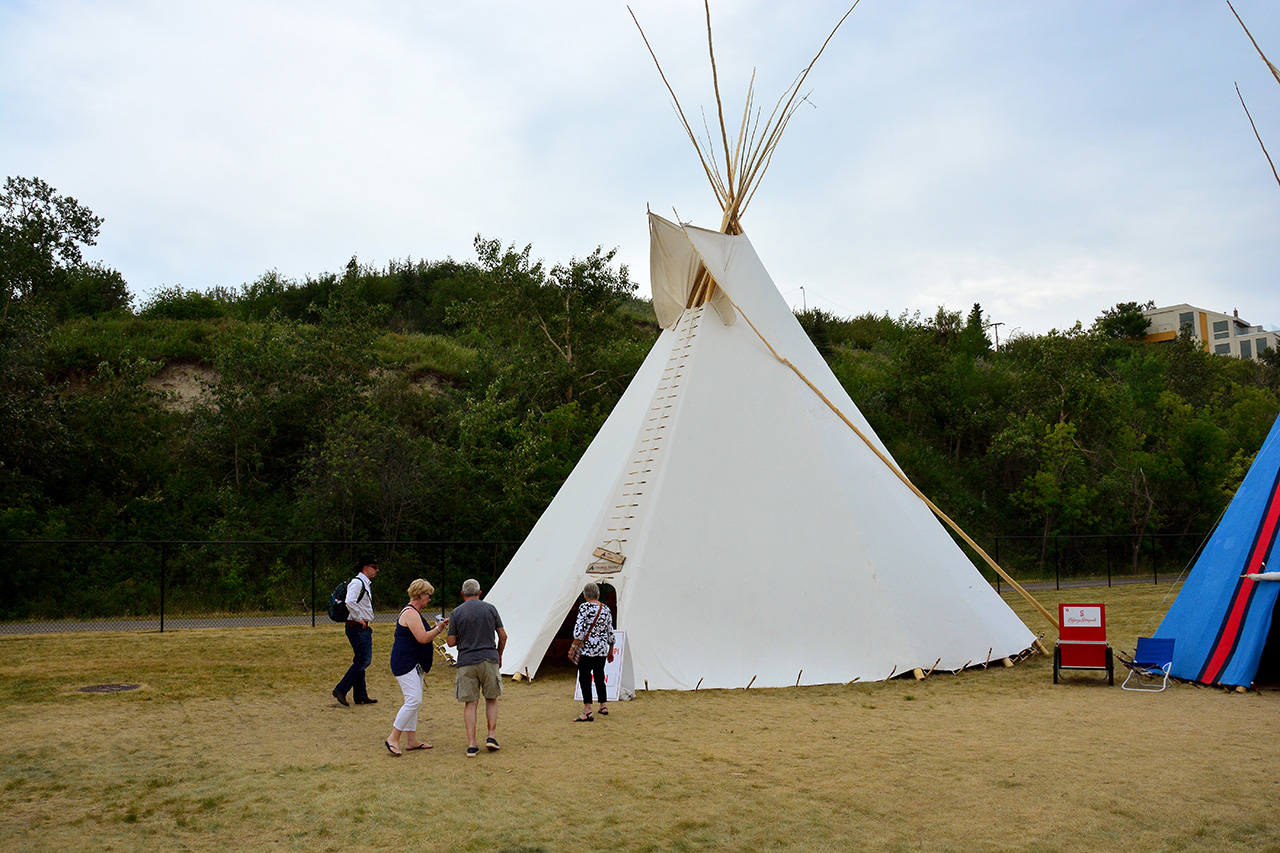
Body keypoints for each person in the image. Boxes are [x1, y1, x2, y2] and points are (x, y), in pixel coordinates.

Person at [384, 578, 449, 756]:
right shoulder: (410, 613)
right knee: (414, 700)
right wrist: (439, 629)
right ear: (420, 594)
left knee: (412, 701)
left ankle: (411, 740)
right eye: (428, 595)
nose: (430, 599)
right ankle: (393, 737)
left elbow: (422, 635)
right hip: (405, 663)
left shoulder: (414, 613)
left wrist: (437, 627)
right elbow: (423, 638)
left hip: (414, 663)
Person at [446, 578, 507, 757]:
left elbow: (450, 642)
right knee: (491, 698)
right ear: (480, 593)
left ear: (462, 593)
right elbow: (503, 635)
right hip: (489, 658)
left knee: (470, 703)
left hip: (467, 661)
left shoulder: (457, 612)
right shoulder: (490, 609)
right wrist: (499, 654)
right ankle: (491, 736)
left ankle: (472, 744)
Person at [332, 556, 379, 707]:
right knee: (364, 660)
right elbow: (349, 601)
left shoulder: (364, 583)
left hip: (360, 626)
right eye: (374, 567)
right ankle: (341, 689)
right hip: (357, 627)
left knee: (360, 659)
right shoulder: (357, 583)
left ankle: (360, 695)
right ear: (365, 568)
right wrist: (359, 619)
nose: (377, 570)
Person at [571, 582, 615, 722]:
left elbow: (579, 632)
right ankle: (603, 705)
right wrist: (611, 649)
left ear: (585, 596)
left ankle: (587, 709)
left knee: (585, 677)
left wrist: (573, 647)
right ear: (598, 594)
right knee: (599, 676)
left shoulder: (584, 608)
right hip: (601, 649)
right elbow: (610, 631)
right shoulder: (606, 609)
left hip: (587, 649)